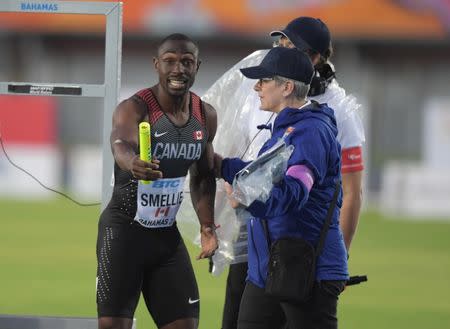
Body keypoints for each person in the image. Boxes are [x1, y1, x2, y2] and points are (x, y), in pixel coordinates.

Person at [201, 17, 365, 329]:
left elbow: (292, 194)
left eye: (264, 80)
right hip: (269, 263)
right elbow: (259, 174)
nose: (256, 87)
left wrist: (246, 200)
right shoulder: (286, 126)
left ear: (287, 87)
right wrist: (218, 163)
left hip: (306, 266)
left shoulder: (311, 132)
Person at [95, 33, 218, 329]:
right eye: (170, 62)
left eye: (187, 62)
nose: (179, 69)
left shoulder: (205, 115)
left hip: (165, 237)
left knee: (185, 324)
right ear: (156, 65)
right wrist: (132, 163)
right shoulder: (135, 108)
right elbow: (119, 143)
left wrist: (207, 227)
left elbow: (203, 175)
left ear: (197, 66)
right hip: (123, 234)